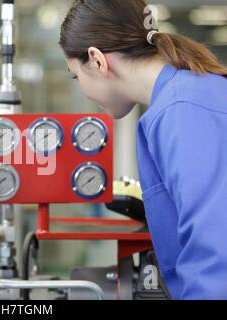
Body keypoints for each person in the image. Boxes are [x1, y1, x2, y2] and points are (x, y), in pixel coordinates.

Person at [60, 0, 227, 299]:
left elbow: (216, 252)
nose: (82, 87)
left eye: (76, 75)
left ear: (97, 60)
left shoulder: (182, 111)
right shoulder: (187, 96)